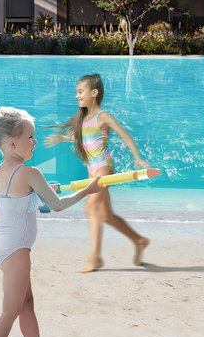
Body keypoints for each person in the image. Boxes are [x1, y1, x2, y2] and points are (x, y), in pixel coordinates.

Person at [0, 106, 90, 337]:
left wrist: (46, 194)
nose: (35, 142)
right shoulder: (29, 172)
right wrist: (89, 189)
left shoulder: (3, 170)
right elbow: (57, 205)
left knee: (26, 305)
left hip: (6, 247)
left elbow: (30, 205)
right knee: (10, 310)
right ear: (12, 143)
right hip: (15, 251)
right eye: (30, 137)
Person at [48, 72, 152, 272]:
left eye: (80, 92)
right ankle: (139, 240)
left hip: (104, 167)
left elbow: (125, 136)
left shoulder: (102, 116)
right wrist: (61, 139)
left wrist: (138, 158)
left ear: (93, 93)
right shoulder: (84, 118)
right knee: (105, 215)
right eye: (76, 92)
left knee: (91, 207)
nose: (77, 96)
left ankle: (95, 257)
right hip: (91, 170)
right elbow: (83, 138)